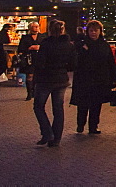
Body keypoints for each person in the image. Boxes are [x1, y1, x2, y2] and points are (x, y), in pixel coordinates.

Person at [32, 19, 77, 148]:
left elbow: (40, 63)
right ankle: (56, 138)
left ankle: (47, 132)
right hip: (61, 79)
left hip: (45, 79)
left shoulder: (46, 44)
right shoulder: (69, 45)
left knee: (39, 106)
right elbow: (73, 64)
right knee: (58, 109)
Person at [71, 20, 116, 134]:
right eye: (91, 30)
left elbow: (110, 62)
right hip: (85, 79)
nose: (93, 33)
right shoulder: (82, 44)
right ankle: (80, 124)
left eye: (96, 30)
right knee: (83, 104)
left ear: (100, 31)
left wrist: (114, 77)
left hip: (100, 79)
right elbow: (76, 60)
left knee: (96, 104)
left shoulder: (104, 45)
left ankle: (93, 126)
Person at [16, 21, 43, 100]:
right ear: (30, 28)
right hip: (29, 59)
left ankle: (35, 92)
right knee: (29, 76)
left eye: (37, 26)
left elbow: (47, 47)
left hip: (39, 58)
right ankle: (29, 93)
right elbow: (20, 49)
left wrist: (39, 47)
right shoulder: (25, 37)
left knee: (37, 75)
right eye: (34, 26)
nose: (36, 28)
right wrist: (29, 48)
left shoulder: (42, 37)